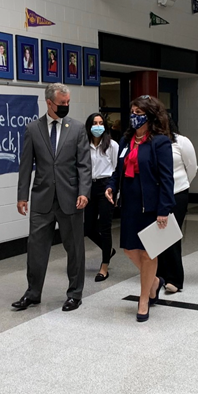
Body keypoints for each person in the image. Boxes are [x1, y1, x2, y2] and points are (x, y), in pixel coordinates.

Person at [14, 83, 91, 312]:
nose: (66, 106)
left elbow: (84, 165)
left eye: (68, 102)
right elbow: (25, 165)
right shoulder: (33, 129)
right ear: (49, 103)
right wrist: (22, 196)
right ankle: (32, 293)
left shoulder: (77, 129)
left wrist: (84, 192)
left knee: (75, 248)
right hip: (42, 198)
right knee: (36, 247)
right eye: (62, 103)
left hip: (71, 198)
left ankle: (74, 294)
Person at [106, 95, 175, 322]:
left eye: (139, 112)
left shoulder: (160, 142)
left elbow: (167, 179)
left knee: (148, 253)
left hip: (152, 206)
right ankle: (154, 280)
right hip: (130, 204)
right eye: (132, 112)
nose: (134, 116)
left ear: (151, 115)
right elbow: (118, 170)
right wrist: (111, 186)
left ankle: (144, 298)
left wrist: (164, 209)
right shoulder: (126, 141)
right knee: (129, 249)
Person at [157, 118, 197, 293]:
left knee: (171, 235)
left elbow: (192, 167)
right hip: (156, 196)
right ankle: (159, 275)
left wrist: (182, 183)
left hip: (177, 193)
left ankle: (175, 278)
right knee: (157, 236)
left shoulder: (181, 142)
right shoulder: (150, 142)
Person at [84, 112, 118, 281]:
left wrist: (115, 190)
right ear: (89, 126)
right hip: (90, 186)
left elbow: (117, 169)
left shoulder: (112, 145)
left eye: (100, 123)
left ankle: (104, 266)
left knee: (105, 227)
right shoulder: (84, 145)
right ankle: (109, 250)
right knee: (88, 227)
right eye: (94, 123)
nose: (98, 126)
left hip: (106, 186)